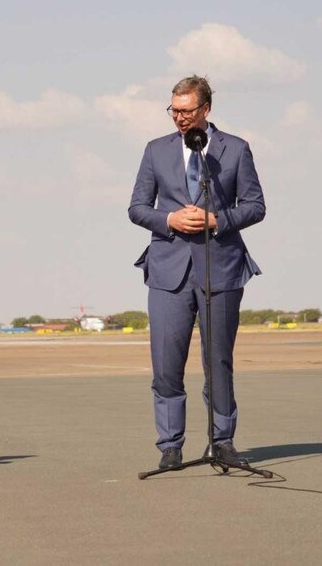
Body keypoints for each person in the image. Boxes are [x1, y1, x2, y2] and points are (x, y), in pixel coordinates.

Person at [128, 76, 266, 470]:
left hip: (220, 269)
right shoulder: (155, 151)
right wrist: (169, 218)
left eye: (187, 111)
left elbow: (255, 206)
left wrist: (216, 220)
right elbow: (137, 207)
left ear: (206, 109)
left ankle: (223, 441)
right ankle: (170, 446)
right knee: (166, 364)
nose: (179, 118)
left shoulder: (235, 150)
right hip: (168, 271)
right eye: (174, 110)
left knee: (218, 361)